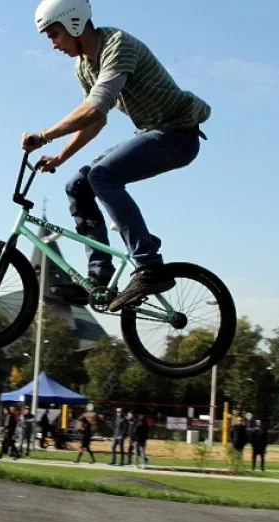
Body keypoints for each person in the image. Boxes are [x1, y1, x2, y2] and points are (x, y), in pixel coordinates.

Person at [23, 0, 210, 312]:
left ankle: (149, 265)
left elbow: (96, 107)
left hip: (177, 135)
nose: (53, 45)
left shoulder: (117, 45)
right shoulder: (84, 66)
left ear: (73, 23)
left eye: (53, 34)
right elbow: (95, 121)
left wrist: (44, 136)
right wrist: (59, 157)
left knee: (102, 175)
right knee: (78, 185)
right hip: (152, 133)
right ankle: (99, 277)